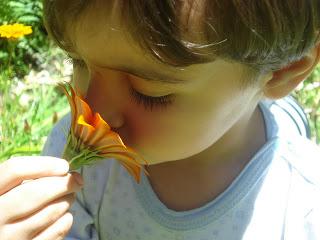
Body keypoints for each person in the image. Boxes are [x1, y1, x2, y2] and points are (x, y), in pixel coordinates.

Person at [1, 1, 320, 239]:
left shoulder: (302, 209)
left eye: (148, 93)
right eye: (78, 60)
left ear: (280, 72)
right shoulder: (78, 162)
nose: (93, 113)